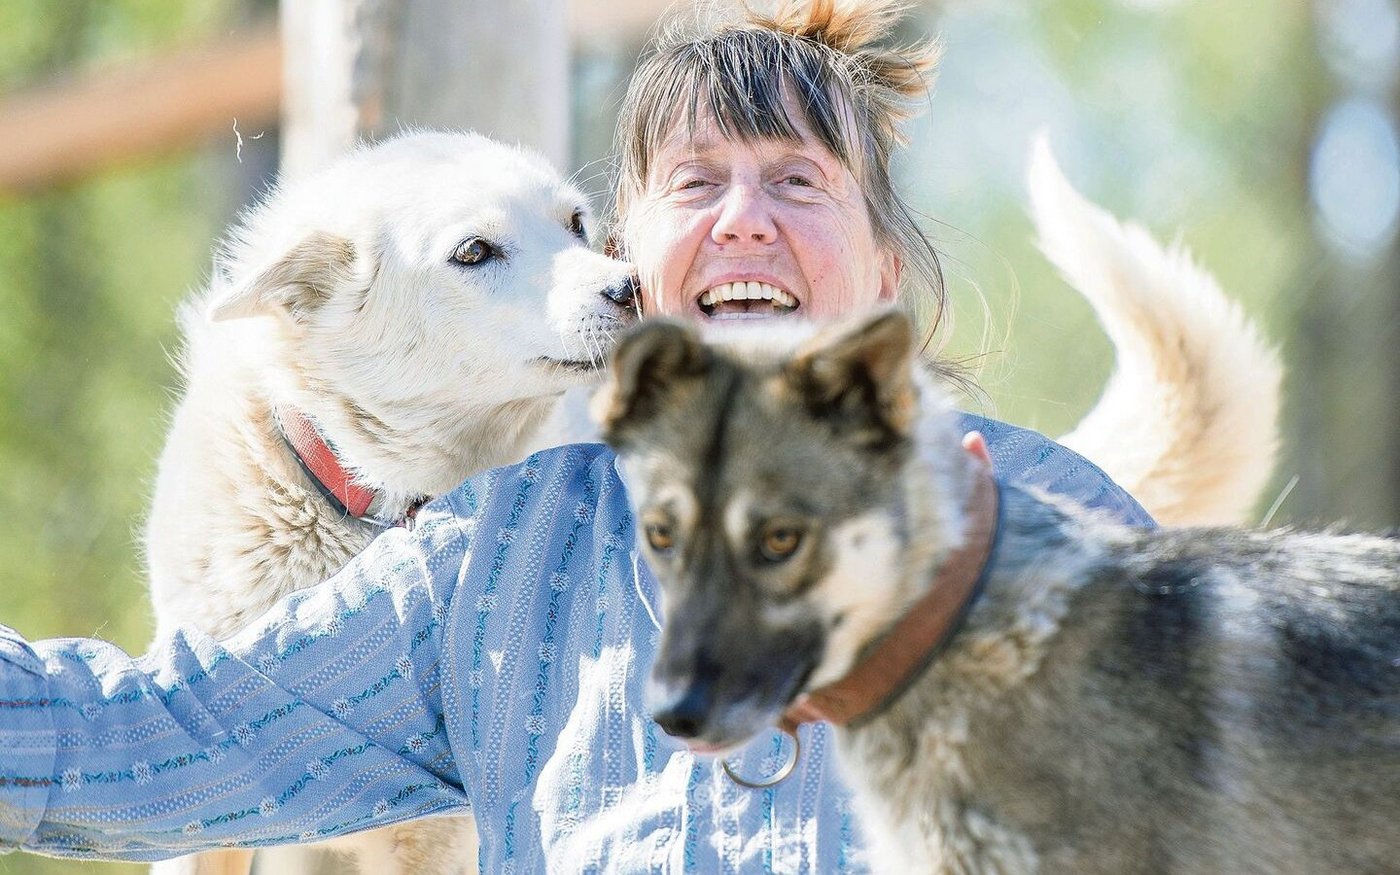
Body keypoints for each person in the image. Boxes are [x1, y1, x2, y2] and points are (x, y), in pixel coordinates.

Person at [1, 2, 1152, 870]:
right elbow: (162, 738)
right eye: (695, 182)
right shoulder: (494, 558)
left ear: (884, 272)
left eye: (796, 182)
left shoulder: (1056, 523)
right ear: (632, 276)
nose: (743, 218)